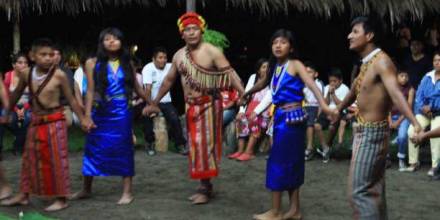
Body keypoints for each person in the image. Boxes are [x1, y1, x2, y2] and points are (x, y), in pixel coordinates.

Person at [144, 12, 245, 204]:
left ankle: (205, 189)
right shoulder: (179, 55)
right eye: (187, 30)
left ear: (201, 31)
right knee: (196, 147)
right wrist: (154, 102)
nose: (191, 33)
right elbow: (168, 81)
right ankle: (205, 185)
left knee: (204, 146)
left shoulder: (212, 51)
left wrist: (243, 93)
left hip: (209, 106)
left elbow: (230, 73)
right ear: (182, 34)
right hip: (191, 107)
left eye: (194, 29)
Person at [337, 16, 421, 219]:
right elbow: (355, 89)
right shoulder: (368, 63)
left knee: (360, 192)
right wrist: (337, 109)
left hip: (372, 134)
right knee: (373, 190)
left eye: (355, 31)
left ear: (370, 35)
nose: (349, 35)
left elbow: (395, 94)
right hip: (366, 133)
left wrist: (415, 122)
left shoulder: (382, 62)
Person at [245, 29, 334, 220]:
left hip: (290, 119)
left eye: (283, 42)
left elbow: (311, 84)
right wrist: (247, 93)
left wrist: (324, 107)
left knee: (277, 162)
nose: (278, 45)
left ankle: (276, 211)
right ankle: (295, 210)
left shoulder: (294, 64)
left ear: (291, 47)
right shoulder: (274, 67)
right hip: (281, 118)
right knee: (292, 162)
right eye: (275, 42)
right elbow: (262, 84)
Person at [0, 38, 91, 211]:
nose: (48, 58)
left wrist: (84, 118)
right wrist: (6, 111)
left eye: (51, 55)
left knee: (57, 161)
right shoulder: (26, 73)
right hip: (35, 122)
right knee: (28, 159)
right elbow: (16, 93)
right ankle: (23, 195)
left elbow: (71, 99)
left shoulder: (59, 75)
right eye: (43, 55)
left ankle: (61, 199)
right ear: (33, 56)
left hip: (55, 122)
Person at [70, 28, 148, 205]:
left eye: (115, 38)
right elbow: (90, 91)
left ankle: (127, 192)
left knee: (124, 149)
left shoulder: (128, 62)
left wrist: (151, 102)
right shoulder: (92, 62)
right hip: (100, 111)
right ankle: (86, 189)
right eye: (107, 39)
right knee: (93, 148)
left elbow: (137, 87)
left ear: (122, 42)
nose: (112, 41)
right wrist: (87, 116)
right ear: (101, 42)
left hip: (122, 112)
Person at [141, 47, 187, 155]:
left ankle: (180, 145)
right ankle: (150, 143)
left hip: (166, 102)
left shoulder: (170, 67)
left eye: (165, 58)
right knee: (146, 117)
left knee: (175, 118)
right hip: (150, 100)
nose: (163, 60)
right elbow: (147, 89)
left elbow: (184, 68)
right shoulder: (148, 68)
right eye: (160, 58)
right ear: (154, 59)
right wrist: (150, 106)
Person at [405, 51, 440, 176]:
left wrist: (431, 107)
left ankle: (435, 166)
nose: (437, 63)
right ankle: (414, 162)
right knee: (411, 130)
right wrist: (423, 108)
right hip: (424, 112)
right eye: (435, 60)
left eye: (439, 60)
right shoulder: (427, 77)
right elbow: (419, 97)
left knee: (436, 132)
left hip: (438, 113)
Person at [229, 58, 270, 161]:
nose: (266, 69)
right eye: (264, 67)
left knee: (254, 120)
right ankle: (240, 150)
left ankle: (249, 152)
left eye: (268, 67)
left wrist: (256, 112)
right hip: (250, 107)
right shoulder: (253, 77)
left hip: (264, 110)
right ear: (258, 70)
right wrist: (241, 111)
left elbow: (268, 99)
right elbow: (246, 94)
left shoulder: (272, 80)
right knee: (240, 119)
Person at [314, 68, 350, 163]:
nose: (332, 83)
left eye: (335, 81)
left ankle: (327, 147)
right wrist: (329, 94)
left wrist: (333, 94)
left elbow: (342, 104)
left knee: (331, 128)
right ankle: (325, 147)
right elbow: (325, 103)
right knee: (317, 126)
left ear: (340, 80)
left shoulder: (345, 88)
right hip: (327, 110)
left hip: (339, 111)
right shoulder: (326, 88)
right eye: (330, 81)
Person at [1, 53, 30, 155]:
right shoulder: (8, 76)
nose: (23, 65)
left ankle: (18, 146)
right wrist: (16, 109)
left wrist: (23, 108)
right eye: (20, 62)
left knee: (24, 119)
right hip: (11, 106)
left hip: (27, 107)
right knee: (5, 118)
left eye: (25, 63)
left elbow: (33, 98)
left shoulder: (30, 77)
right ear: (14, 65)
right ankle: (17, 144)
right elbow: (5, 96)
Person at [388, 70, 414, 171]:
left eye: (406, 76)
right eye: (402, 76)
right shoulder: (391, 89)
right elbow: (387, 107)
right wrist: (390, 121)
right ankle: (385, 158)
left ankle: (401, 159)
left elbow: (409, 108)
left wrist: (398, 121)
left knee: (403, 136)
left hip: (404, 116)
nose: (404, 78)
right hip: (391, 116)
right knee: (383, 133)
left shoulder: (410, 90)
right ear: (396, 77)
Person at [302, 61, 324, 161]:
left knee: (310, 123)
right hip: (304, 107)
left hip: (314, 107)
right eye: (306, 72)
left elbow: (321, 101)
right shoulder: (302, 84)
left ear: (316, 74)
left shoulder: (318, 83)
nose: (307, 74)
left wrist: (318, 116)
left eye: (310, 72)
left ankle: (310, 148)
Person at [53, 46, 76, 126]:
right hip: (46, 106)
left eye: (58, 54)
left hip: (63, 106)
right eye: (53, 54)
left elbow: (68, 89)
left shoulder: (66, 71)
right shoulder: (43, 70)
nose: (56, 56)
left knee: (67, 121)